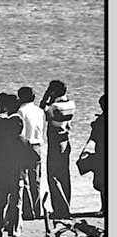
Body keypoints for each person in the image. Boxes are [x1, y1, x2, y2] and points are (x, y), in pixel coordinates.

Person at [0, 93, 26, 237]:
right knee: (16, 199)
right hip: (16, 164)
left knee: (1, 198)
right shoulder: (18, 121)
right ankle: (15, 230)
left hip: (0, 164)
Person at [41, 80, 75, 219]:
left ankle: (60, 209)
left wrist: (46, 97)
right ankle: (66, 206)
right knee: (65, 175)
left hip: (55, 142)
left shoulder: (54, 107)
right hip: (66, 140)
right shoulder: (71, 104)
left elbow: (44, 113)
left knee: (53, 176)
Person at [16, 86, 46, 220]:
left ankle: (28, 211)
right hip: (38, 145)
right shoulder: (40, 111)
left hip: (25, 146)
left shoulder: (20, 112)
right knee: (36, 180)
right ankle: (37, 209)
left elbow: (20, 133)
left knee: (24, 179)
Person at [87, 94, 106, 213]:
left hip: (102, 154)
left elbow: (95, 137)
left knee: (102, 183)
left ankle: (104, 208)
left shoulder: (101, 121)